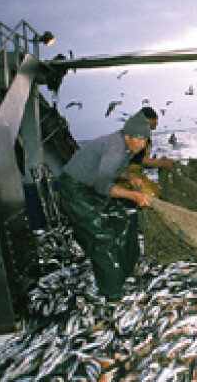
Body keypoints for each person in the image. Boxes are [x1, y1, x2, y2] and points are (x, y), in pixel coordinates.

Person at [59, 112, 154, 300]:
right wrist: (134, 196)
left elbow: (118, 168)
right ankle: (113, 295)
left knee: (125, 221)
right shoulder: (116, 149)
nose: (143, 144)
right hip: (76, 189)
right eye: (139, 140)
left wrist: (129, 177)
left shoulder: (127, 146)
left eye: (146, 140)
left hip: (94, 184)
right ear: (127, 136)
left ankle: (127, 273)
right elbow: (103, 186)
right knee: (102, 237)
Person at [117, 106, 174, 198]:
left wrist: (157, 163)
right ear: (148, 120)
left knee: (159, 193)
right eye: (155, 120)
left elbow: (138, 162)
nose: (157, 122)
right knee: (151, 196)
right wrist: (162, 164)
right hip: (124, 176)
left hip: (138, 174)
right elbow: (140, 160)